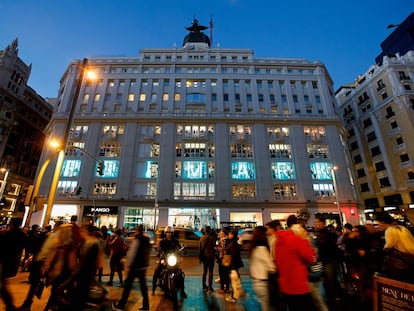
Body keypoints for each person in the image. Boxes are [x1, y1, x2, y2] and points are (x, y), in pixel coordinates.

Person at [275, 215, 317, 311]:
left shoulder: (279, 240)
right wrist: (305, 240)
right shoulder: (297, 239)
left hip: (285, 285)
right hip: (299, 285)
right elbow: (311, 259)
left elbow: (276, 260)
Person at [17, 221, 62, 311]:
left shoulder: (55, 237)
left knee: (35, 285)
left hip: (43, 263)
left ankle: (28, 304)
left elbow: (48, 251)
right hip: (45, 263)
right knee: (47, 286)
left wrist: (43, 264)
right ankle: (32, 304)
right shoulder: (54, 236)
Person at [55, 224, 101, 310]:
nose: (80, 232)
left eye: (82, 230)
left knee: (77, 300)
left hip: (83, 276)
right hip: (84, 276)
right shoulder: (87, 243)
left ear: (87, 232)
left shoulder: (91, 244)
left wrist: (68, 281)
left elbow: (83, 264)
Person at [113, 225, 150, 311]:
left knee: (128, 286)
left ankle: (121, 304)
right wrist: (146, 265)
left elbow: (132, 253)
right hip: (142, 267)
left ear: (137, 231)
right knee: (143, 287)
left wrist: (128, 265)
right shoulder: (146, 239)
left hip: (135, 266)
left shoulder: (137, 239)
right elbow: (147, 253)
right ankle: (146, 305)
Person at [314, 215, 342, 309]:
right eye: (316, 222)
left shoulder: (327, 233)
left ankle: (336, 297)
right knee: (327, 280)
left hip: (329, 260)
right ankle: (332, 297)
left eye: (318, 222)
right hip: (324, 260)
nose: (316, 224)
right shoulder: (319, 233)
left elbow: (328, 245)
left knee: (331, 279)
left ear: (323, 223)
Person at [0, 218, 27, 311]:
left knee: (2, 285)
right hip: (12, 261)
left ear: (12, 224)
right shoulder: (22, 235)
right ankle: (9, 305)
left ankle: (9, 305)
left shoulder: (8, 235)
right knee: (2, 284)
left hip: (3, 261)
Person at [152, 226, 187, 298]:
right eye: (167, 232)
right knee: (157, 271)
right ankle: (153, 288)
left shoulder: (175, 241)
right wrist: (158, 251)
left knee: (181, 274)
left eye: (170, 232)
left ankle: (182, 291)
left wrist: (182, 250)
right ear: (165, 233)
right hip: (164, 259)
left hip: (173, 259)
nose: (169, 234)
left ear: (172, 233)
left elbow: (179, 247)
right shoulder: (162, 241)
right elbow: (159, 249)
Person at [249, 226, 276, 311]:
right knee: (267, 307)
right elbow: (272, 268)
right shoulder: (262, 249)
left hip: (255, 282)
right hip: (263, 283)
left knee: (264, 304)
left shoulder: (253, 248)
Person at [224, 229, 244, 303]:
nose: (228, 235)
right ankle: (234, 295)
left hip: (233, 265)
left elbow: (233, 255)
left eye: (229, 234)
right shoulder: (234, 242)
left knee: (234, 281)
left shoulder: (233, 243)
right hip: (234, 265)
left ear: (232, 235)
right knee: (235, 281)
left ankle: (234, 297)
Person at [199, 226, 217, 292]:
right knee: (210, 272)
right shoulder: (212, 238)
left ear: (205, 231)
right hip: (211, 257)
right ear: (210, 231)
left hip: (204, 257)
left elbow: (200, 249)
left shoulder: (201, 238)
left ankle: (204, 286)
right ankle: (209, 287)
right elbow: (214, 247)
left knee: (204, 271)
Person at [215, 229, 229, 293]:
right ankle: (226, 288)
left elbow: (223, 249)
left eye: (221, 232)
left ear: (224, 234)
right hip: (224, 258)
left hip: (222, 258)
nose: (219, 233)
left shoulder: (223, 240)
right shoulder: (225, 239)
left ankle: (222, 288)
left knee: (222, 273)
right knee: (225, 273)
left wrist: (216, 248)